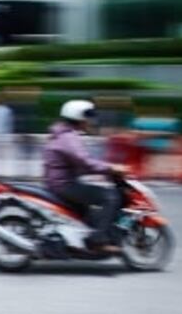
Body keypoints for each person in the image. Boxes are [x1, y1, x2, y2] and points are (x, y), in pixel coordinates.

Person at [43, 99, 127, 252]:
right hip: (64, 185)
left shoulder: (66, 134)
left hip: (61, 182)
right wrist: (111, 168)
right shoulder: (68, 138)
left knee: (91, 211)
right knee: (110, 197)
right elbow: (85, 162)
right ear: (79, 117)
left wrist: (104, 171)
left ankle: (87, 238)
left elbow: (79, 163)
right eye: (88, 117)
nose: (91, 121)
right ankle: (97, 240)